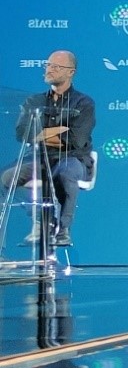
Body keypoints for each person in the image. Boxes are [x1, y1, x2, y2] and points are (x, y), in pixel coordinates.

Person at [1, 50, 95, 247]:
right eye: (48, 65)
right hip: (38, 160)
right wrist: (57, 131)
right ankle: (38, 221)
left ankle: (63, 229)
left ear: (71, 72)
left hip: (72, 158)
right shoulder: (34, 102)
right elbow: (22, 134)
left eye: (56, 66)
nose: (49, 70)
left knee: (66, 173)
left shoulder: (84, 103)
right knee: (7, 177)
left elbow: (76, 140)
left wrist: (41, 134)